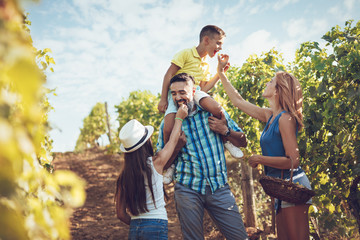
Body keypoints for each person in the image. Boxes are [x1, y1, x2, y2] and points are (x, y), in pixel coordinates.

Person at [217, 54, 312, 240]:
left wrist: (260, 159)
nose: (266, 83)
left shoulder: (285, 118)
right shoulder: (270, 116)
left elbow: (293, 161)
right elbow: (238, 101)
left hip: (293, 186)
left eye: (270, 81)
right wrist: (221, 73)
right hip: (280, 187)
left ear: (277, 91)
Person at [157, 73, 249, 240]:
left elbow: (243, 142)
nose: (178, 97)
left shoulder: (212, 113)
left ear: (194, 91)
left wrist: (225, 131)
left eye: (182, 92)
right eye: (174, 94)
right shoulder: (169, 124)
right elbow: (161, 165)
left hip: (219, 187)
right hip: (187, 190)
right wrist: (176, 147)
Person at [158, 25, 243, 184]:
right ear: (206, 40)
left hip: (195, 91)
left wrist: (220, 73)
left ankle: (227, 140)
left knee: (217, 108)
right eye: (218, 43)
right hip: (177, 94)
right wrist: (164, 98)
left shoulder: (206, 65)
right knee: (168, 128)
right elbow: (169, 74)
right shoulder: (185, 54)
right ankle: (171, 165)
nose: (220, 48)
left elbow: (204, 88)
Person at [114, 104, 188, 240]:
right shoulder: (156, 163)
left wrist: (137, 224)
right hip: (156, 224)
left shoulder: (123, 177)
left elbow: (120, 213)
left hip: (135, 228)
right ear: (146, 143)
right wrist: (179, 118)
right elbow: (172, 141)